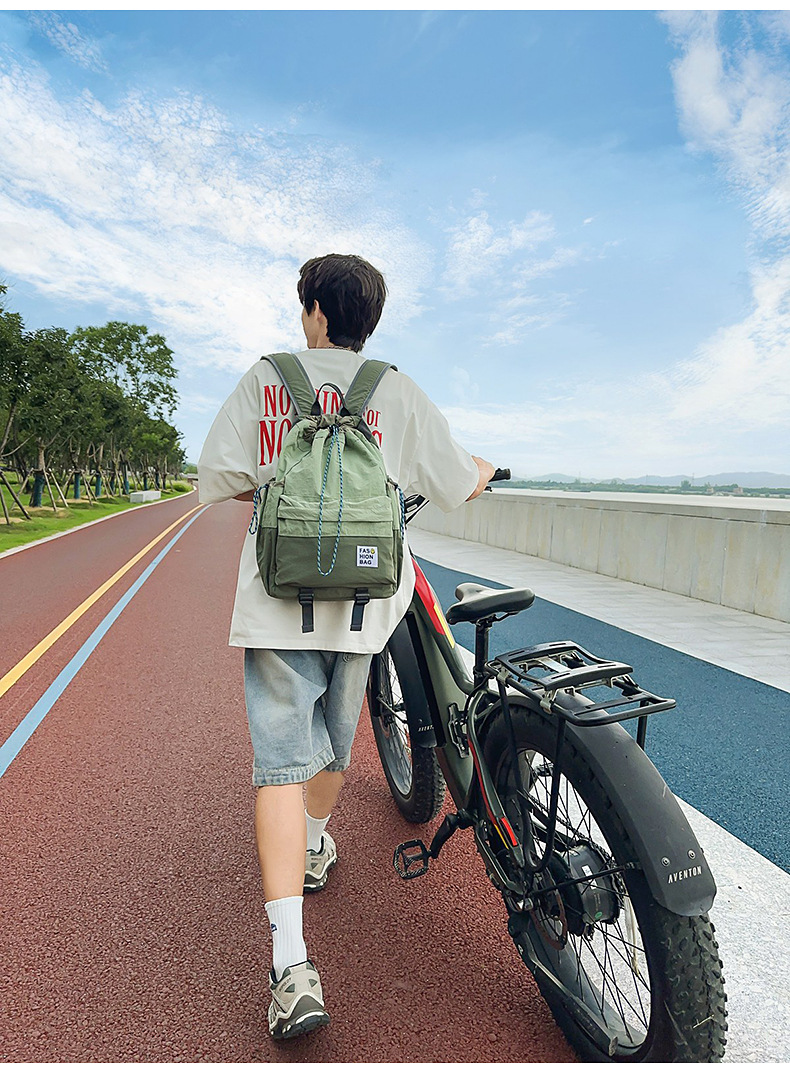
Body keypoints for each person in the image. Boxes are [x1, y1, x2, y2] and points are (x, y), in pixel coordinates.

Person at [198, 253, 495, 1041]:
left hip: (277, 599)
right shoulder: (393, 387)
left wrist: (276, 483)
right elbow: (457, 479)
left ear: (317, 313)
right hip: (366, 604)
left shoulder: (267, 377)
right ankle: (318, 842)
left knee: (278, 761)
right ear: (368, 319)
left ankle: (291, 965)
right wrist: (484, 468)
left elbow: (221, 474)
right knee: (337, 741)